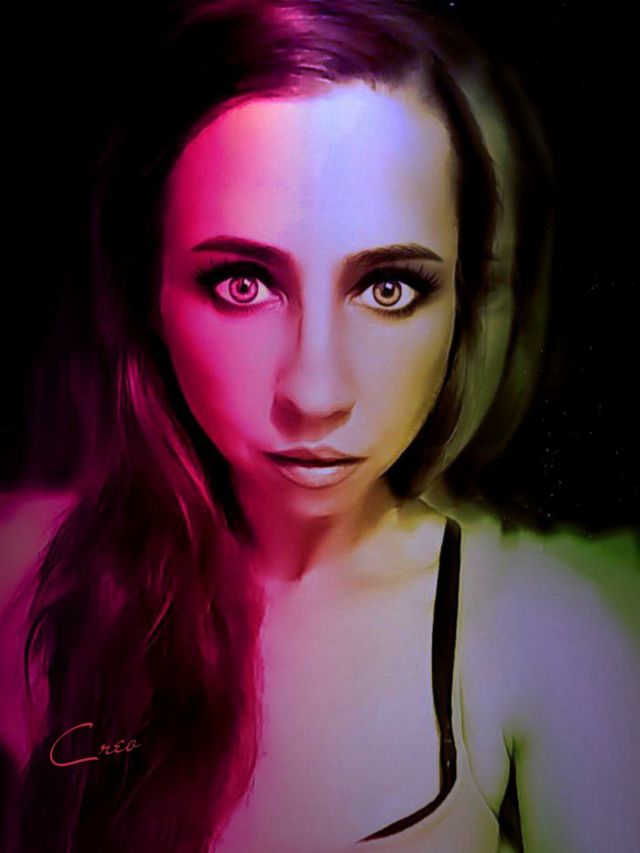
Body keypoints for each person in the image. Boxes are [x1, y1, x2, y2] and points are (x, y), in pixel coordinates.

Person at [1, 1, 638, 851]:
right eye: (243, 284)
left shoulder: (544, 636)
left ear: (460, 305)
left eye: (389, 288)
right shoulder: (31, 586)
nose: (315, 392)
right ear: (148, 293)